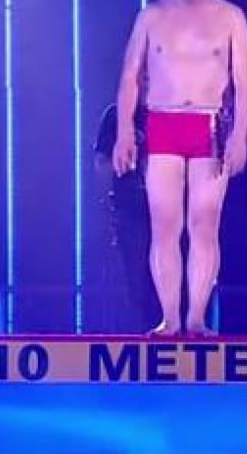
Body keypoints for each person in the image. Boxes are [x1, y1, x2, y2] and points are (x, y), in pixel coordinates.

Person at [113, 0, 247, 337]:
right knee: (164, 224)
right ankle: (170, 317)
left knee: (204, 224)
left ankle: (196, 317)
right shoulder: (151, 16)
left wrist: (240, 135)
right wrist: (124, 130)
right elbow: (130, 77)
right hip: (163, 122)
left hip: (208, 124)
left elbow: (244, 82)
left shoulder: (230, 18)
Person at [92, 99, 159, 332]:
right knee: (136, 284)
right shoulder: (117, 115)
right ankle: (138, 336)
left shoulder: (169, 112)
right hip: (131, 215)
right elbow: (101, 163)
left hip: (170, 215)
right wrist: (125, 162)